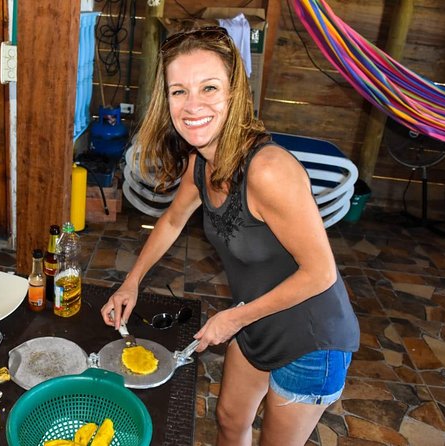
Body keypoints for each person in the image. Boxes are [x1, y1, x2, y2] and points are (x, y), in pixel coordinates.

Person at [100, 26, 360, 446]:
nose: (192, 105)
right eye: (179, 91)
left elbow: (321, 273)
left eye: (209, 88)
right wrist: (130, 283)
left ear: (235, 93)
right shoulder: (200, 161)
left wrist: (234, 317)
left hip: (311, 340)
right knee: (228, 418)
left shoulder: (268, 169)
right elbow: (170, 221)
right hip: (255, 317)